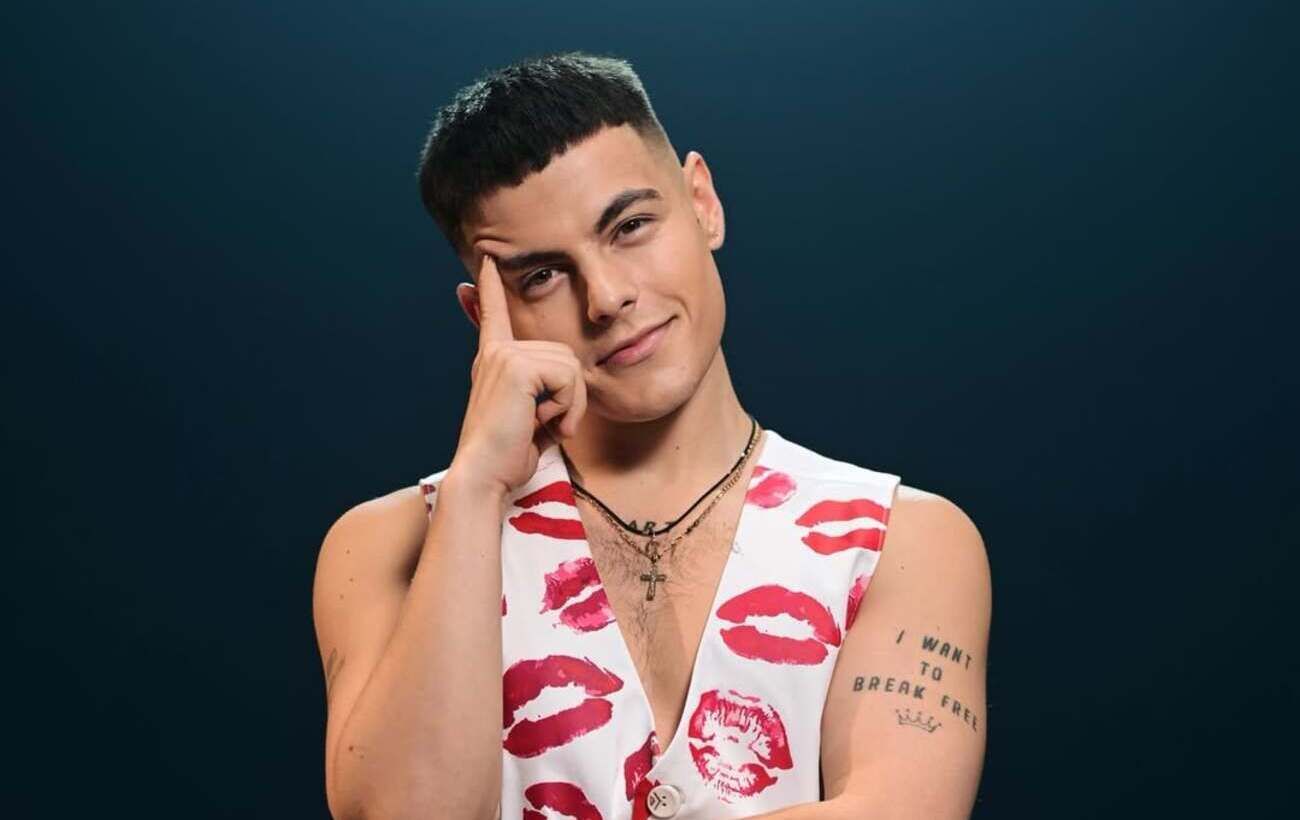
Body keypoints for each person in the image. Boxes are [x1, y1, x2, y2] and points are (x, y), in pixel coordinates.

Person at [312, 50, 991, 820]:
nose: (606, 298)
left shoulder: (899, 539)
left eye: (631, 226)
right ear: (485, 318)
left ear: (703, 202)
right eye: (542, 276)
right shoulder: (389, 546)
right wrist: (475, 486)